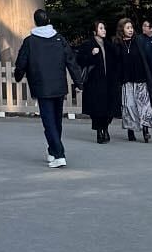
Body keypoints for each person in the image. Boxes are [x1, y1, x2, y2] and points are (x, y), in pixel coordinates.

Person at [14, 10, 85, 168]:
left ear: (35, 22)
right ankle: (53, 151)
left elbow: (21, 63)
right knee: (56, 120)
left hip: (41, 86)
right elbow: (71, 61)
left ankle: (59, 154)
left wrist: (18, 75)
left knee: (48, 121)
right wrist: (78, 82)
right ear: (49, 20)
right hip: (59, 85)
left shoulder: (30, 42)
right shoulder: (59, 39)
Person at [111, 18, 152, 142]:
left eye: (131, 27)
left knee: (144, 106)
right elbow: (115, 62)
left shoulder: (139, 41)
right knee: (129, 106)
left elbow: (147, 59)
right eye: (127, 28)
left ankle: (145, 130)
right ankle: (130, 130)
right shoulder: (117, 43)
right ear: (122, 29)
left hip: (141, 79)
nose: (130, 30)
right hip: (126, 81)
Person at [75, 19, 114, 143]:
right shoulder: (88, 44)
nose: (104, 30)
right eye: (101, 28)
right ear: (94, 31)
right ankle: (99, 131)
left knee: (109, 108)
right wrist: (91, 54)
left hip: (108, 81)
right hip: (95, 82)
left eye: (104, 28)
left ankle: (106, 128)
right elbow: (80, 60)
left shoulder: (108, 44)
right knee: (97, 108)